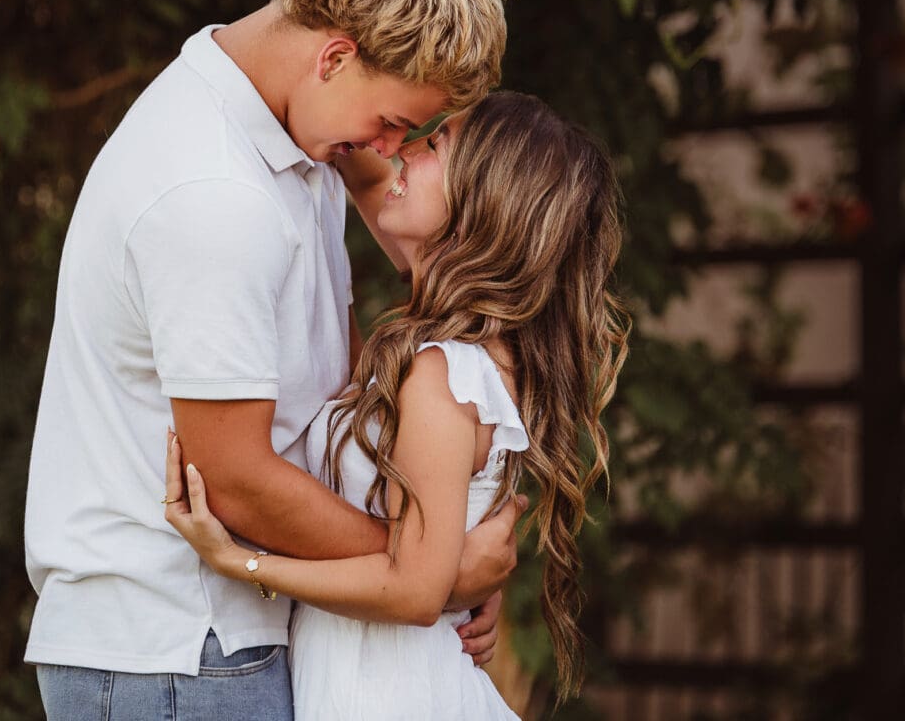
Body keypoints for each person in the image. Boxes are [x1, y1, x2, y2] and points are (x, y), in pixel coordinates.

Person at [24, 0, 517, 720]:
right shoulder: (213, 194)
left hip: (218, 640)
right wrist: (435, 569)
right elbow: (239, 483)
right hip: (178, 654)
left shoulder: (284, 117)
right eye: (391, 122)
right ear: (334, 57)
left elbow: (443, 254)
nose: (388, 149)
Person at [164, 91, 629, 720]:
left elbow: (413, 589)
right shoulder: (464, 351)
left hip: (387, 692)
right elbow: (432, 569)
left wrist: (242, 562)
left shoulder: (441, 373)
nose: (405, 148)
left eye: (435, 142)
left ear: (479, 203)